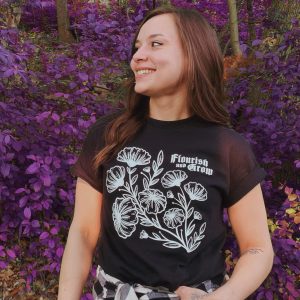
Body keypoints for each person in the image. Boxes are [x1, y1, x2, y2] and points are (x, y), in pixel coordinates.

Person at [58, 5, 274, 300]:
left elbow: (258, 248)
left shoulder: (228, 147)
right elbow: (82, 233)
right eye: (137, 47)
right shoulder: (108, 134)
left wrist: (223, 297)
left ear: (193, 54)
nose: (137, 56)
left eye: (155, 44)